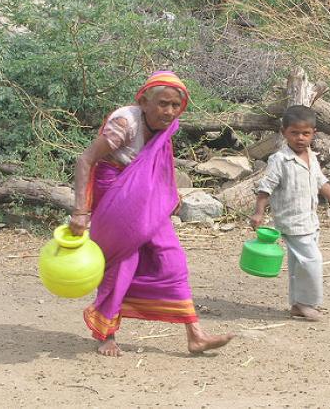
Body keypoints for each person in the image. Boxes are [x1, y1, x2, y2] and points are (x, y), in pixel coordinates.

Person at [69, 71, 234, 356]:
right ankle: (106, 333)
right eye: (162, 103)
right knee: (122, 263)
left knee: (172, 260)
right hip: (115, 196)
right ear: (144, 101)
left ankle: (195, 334)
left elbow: (160, 160)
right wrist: (80, 211)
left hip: (147, 200)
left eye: (174, 106)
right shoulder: (124, 123)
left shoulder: (167, 125)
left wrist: (171, 192)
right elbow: (85, 159)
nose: (169, 111)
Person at [250, 105, 330, 322]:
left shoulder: (311, 156)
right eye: (294, 133)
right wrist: (259, 213)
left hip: (310, 219)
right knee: (312, 260)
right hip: (292, 220)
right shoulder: (279, 160)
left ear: (313, 133)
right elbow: (266, 187)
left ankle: (297, 304)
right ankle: (307, 304)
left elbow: (321, 183)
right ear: (283, 132)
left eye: (305, 133)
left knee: (299, 263)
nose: (300, 138)